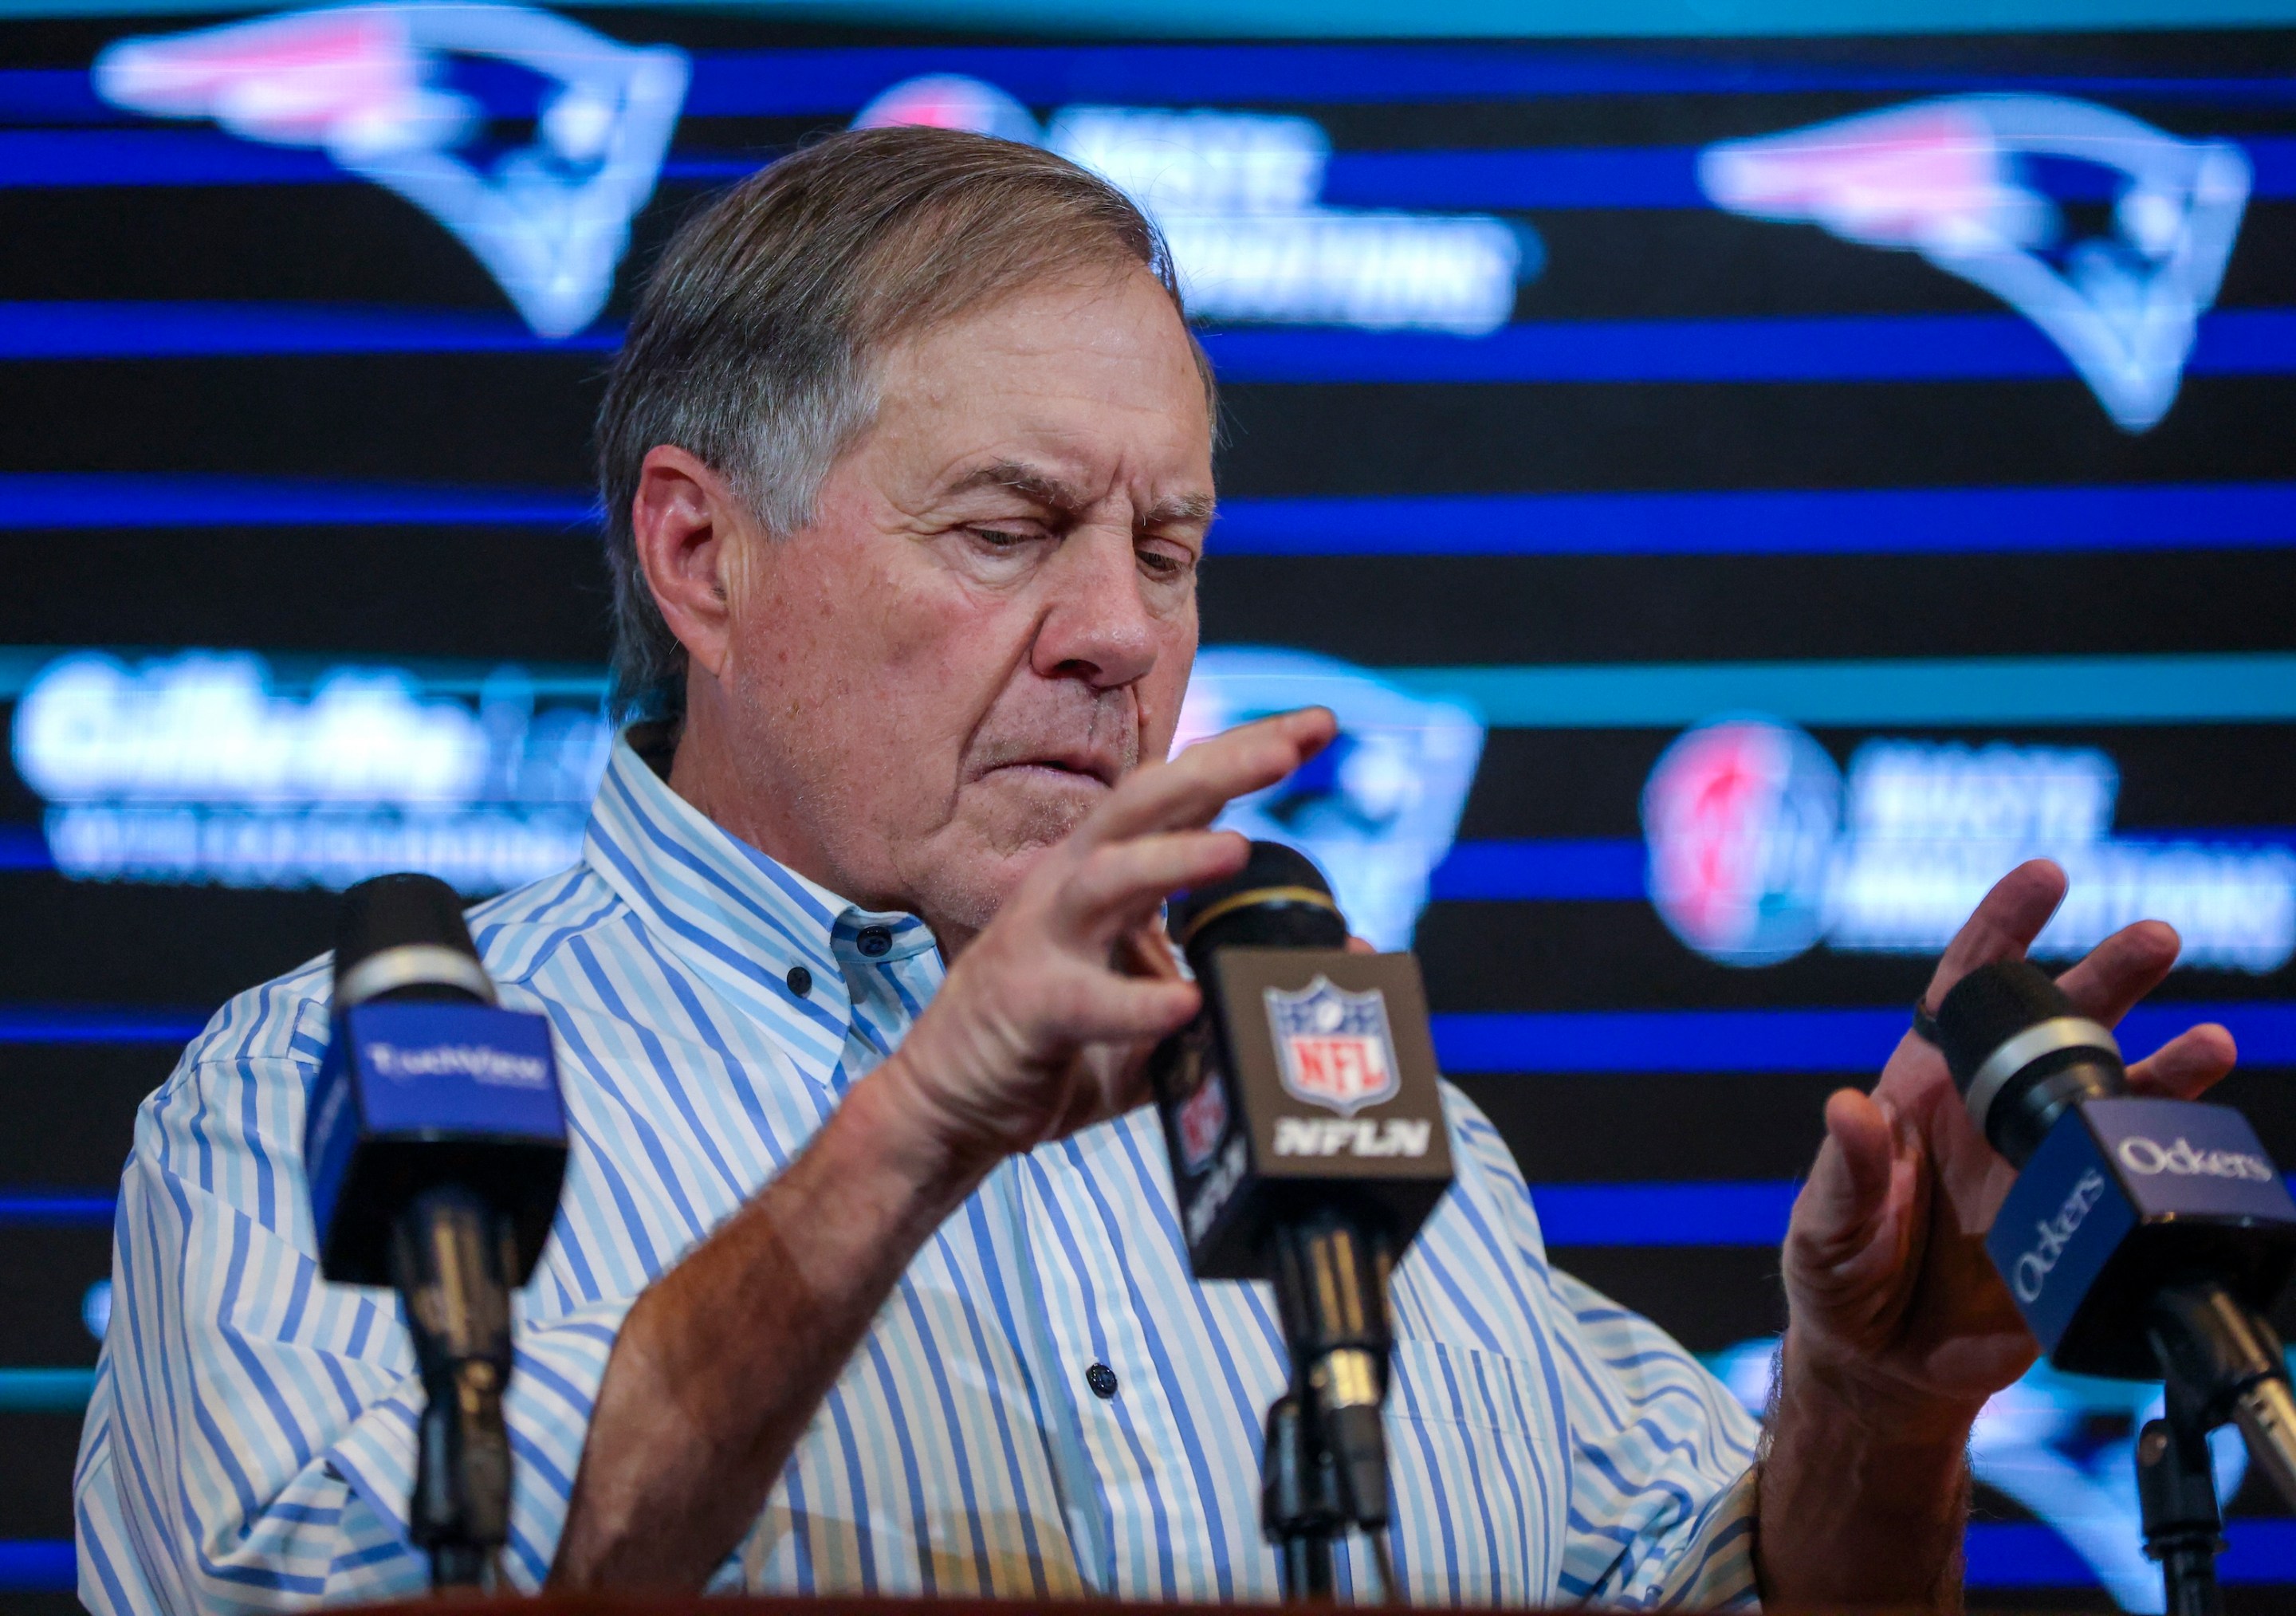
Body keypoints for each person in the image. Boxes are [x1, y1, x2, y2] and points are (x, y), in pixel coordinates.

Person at [73, 127, 2239, 1614]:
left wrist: (1869, 1402)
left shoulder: (1357, 1128)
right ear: (702, 557)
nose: (1122, 631)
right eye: (1009, 531)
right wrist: (914, 1123)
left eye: (1169, 545)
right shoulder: (326, 1104)